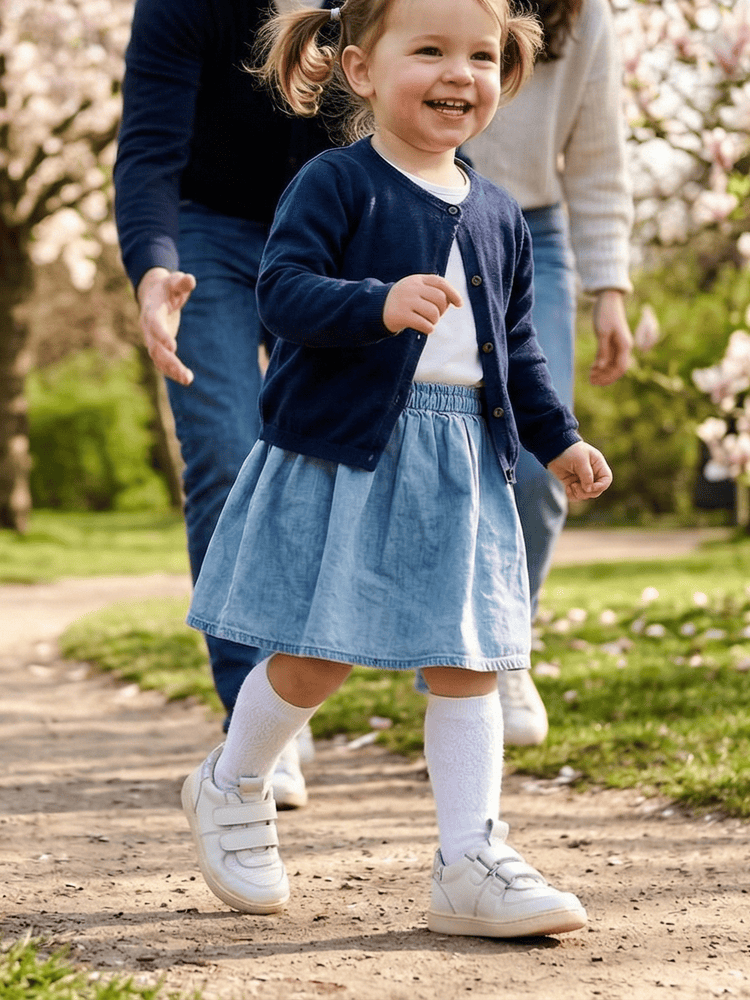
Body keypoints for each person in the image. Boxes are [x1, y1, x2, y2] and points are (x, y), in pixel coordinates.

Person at [180, 0, 613, 936]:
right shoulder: (336, 183)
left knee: (469, 661)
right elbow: (282, 292)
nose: (460, 73)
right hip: (349, 453)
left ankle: (470, 859)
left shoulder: (500, 213)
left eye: (483, 55)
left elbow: (520, 353)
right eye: (430, 50)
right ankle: (233, 780)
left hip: (461, 457)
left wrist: (560, 440)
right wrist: (375, 304)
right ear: (361, 70)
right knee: (315, 654)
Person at [113, 0, 334, 807]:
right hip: (205, 237)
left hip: (329, 227)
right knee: (226, 456)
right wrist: (152, 269)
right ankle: (255, 720)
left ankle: (292, 689)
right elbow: (148, 151)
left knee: (321, 458)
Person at [465, 0, 634, 746]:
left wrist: (611, 290)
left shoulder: (582, 15)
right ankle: (438, 655)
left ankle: (504, 648)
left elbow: (597, 159)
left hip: (533, 226)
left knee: (541, 463)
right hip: (416, 202)